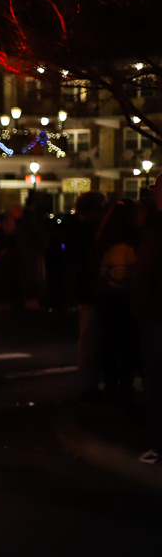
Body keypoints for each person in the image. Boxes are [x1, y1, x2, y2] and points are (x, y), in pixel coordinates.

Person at [92, 199, 140, 404]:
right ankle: (126, 384)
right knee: (130, 342)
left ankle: (111, 385)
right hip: (130, 295)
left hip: (107, 296)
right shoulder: (137, 237)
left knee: (109, 342)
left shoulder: (102, 238)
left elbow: (93, 267)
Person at [132, 181, 162, 462]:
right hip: (153, 314)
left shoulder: (155, 230)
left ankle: (159, 444)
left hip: (155, 315)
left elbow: (144, 274)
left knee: (157, 382)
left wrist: (137, 307)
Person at [71, 191, 108, 398]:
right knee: (90, 339)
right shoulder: (89, 233)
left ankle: (89, 384)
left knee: (90, 338)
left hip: (86, 291)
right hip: (90, 291)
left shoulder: (79, 231)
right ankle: (88, 387)